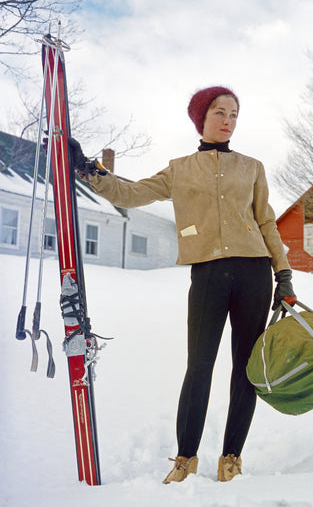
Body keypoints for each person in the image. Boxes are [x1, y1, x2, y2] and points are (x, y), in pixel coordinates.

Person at [68, 86, 297, 483]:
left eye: (234, 114)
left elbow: (265, 222)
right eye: (220, 113)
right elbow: (133, 192)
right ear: (201, 118)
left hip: (254, 273)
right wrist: (91, 171)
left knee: (245, 368)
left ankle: (231, 459)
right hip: (207, 274)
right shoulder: (179, 169)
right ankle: (185, 458)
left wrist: (284, 274)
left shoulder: (252, 167)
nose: (228, 121)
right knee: (199, 366)